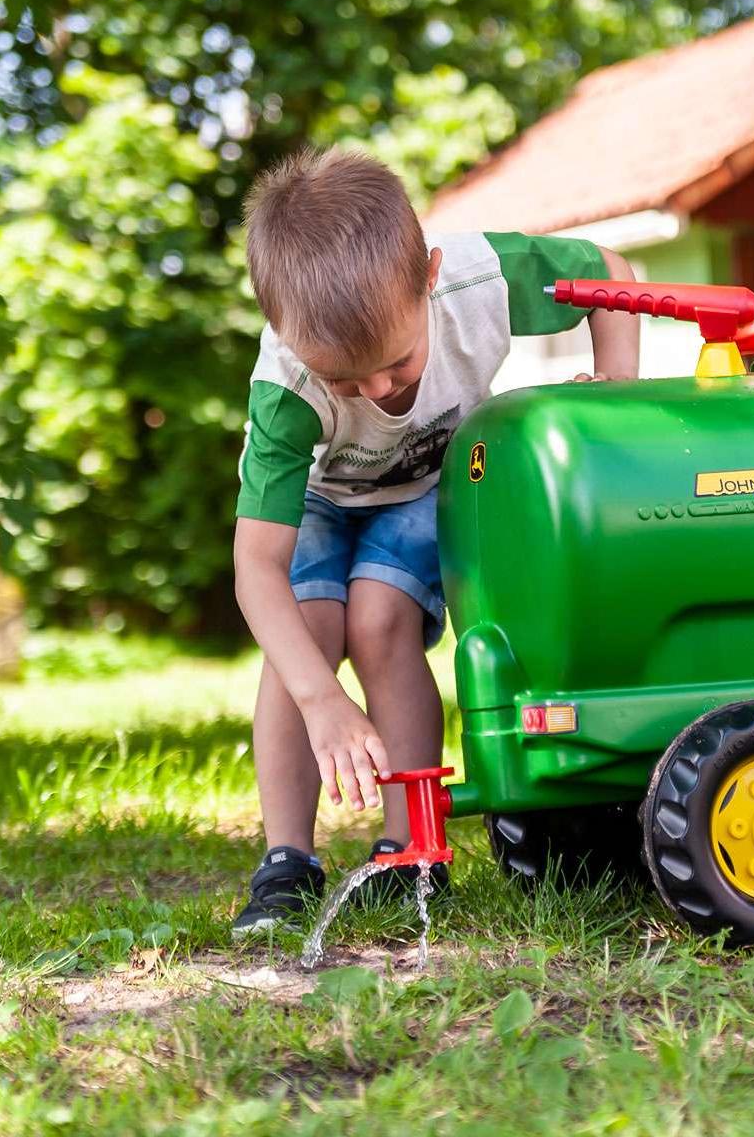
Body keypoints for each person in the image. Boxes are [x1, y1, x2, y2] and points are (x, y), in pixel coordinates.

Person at [230, 148, 640, 935]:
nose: (377, 392)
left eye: (395, 364)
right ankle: (286, 862)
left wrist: (614, 392)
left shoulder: (480, 280)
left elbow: (609, 273)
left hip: (427, 486)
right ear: (285, 334)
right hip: (320, 499)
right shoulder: (285, 391)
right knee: (307, 631)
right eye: (346, 382)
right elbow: (257, 567)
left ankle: (409, 849)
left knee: (380, 618)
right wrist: (323, 699)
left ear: (430, 276)